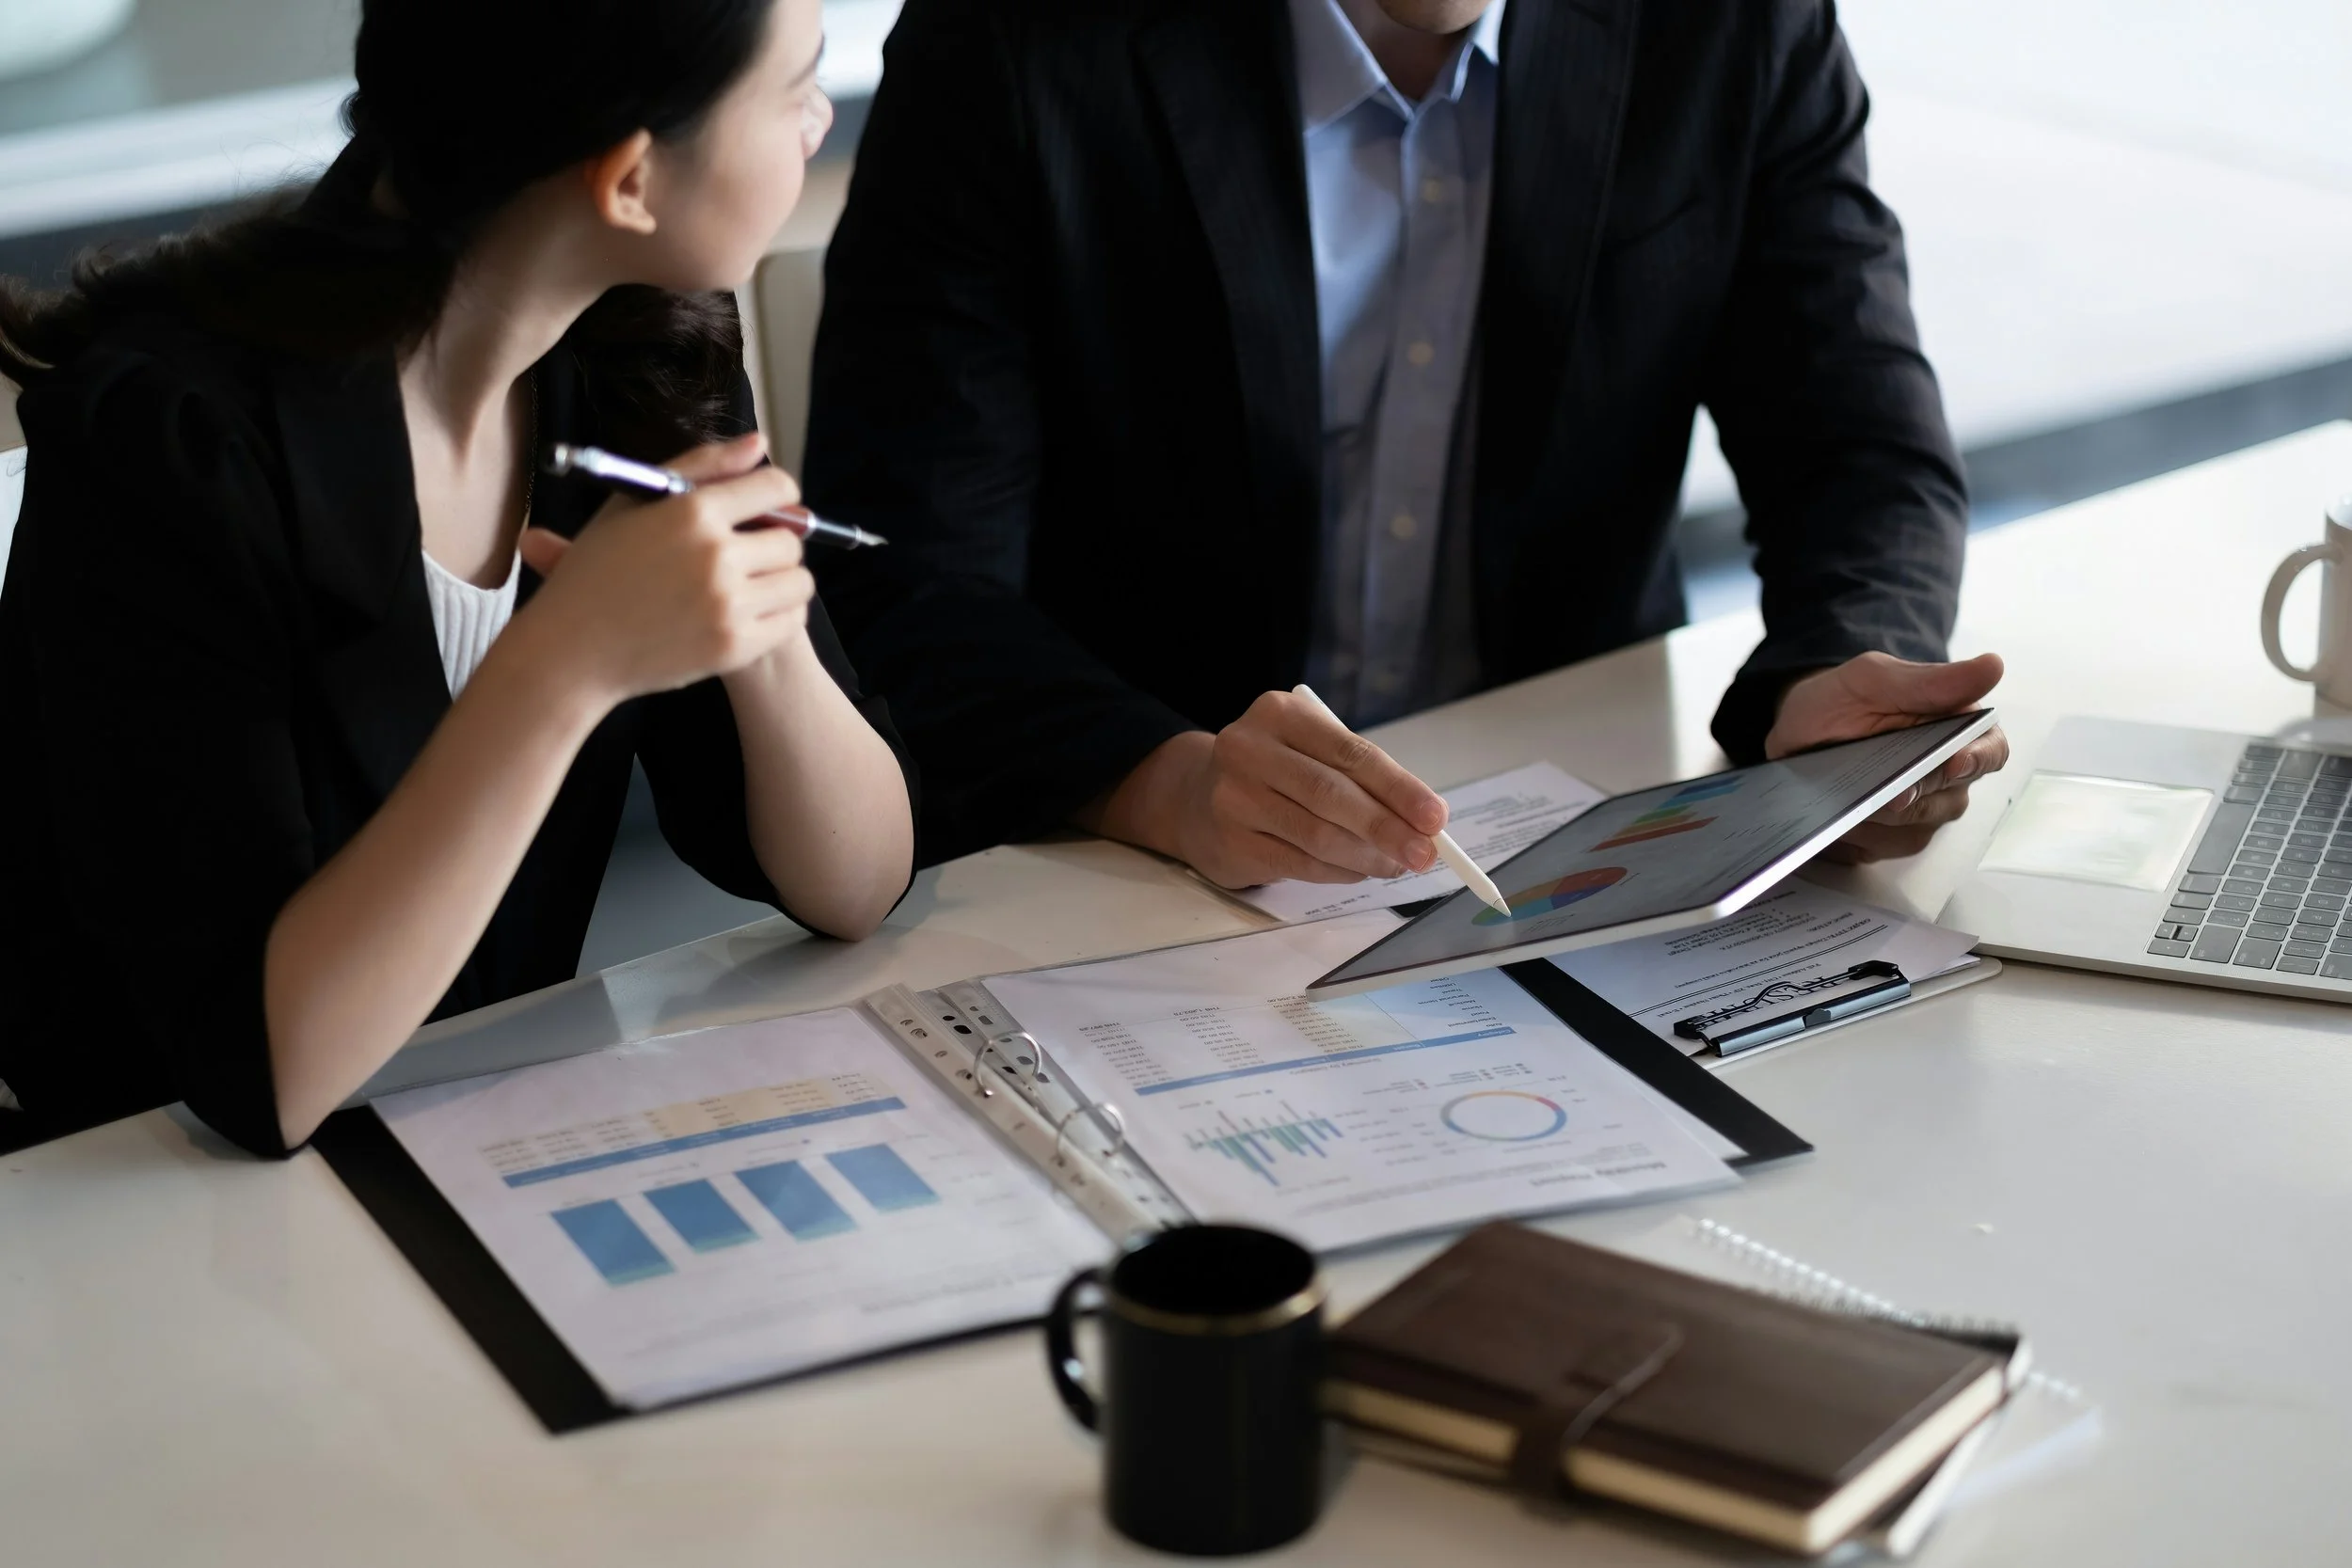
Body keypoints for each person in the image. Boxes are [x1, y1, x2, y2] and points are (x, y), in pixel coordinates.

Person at [805, 0, 2009, 888]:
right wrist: (1164, 781)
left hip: (1566, 835)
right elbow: (903, 564)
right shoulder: (1009, 40)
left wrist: (1839, 674)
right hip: (1120, 856)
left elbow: (1860, 444)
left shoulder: (1735, 27)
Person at [0, 0, 914, 1157]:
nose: (818, 120)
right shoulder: (170, 441)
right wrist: (566, 662)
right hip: (136, 1209)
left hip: (469, 1150)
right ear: (631, 181)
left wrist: (765, 628)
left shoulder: (641, 349)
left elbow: (856, 884)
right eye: (793, 90)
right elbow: (260, 1074)